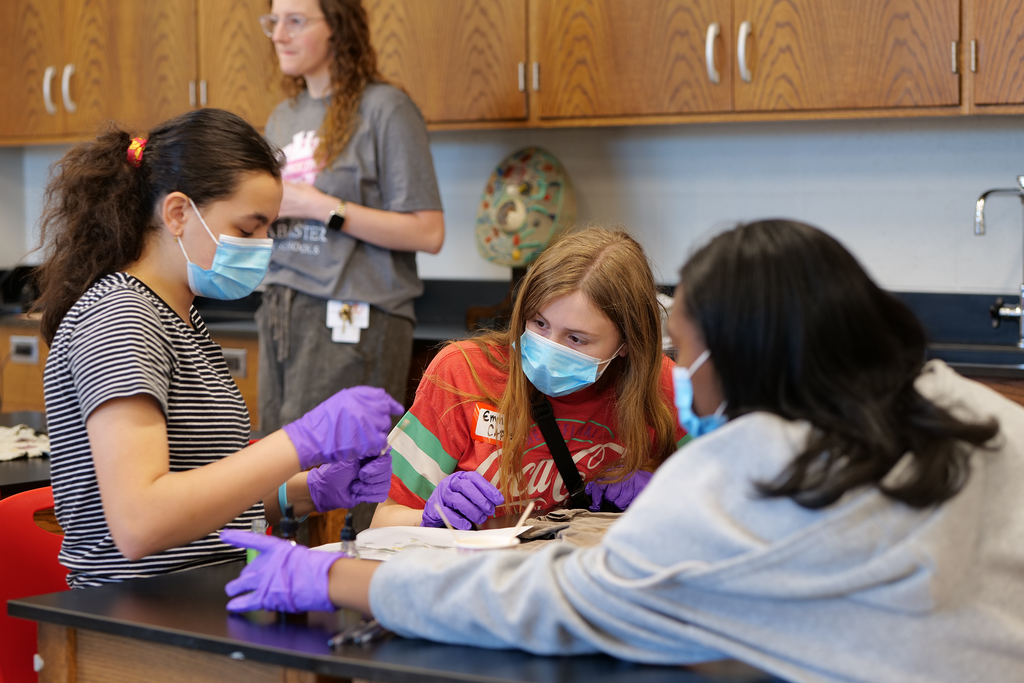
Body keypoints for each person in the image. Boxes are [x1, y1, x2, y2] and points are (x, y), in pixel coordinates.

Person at [222, 219, 1024, 683]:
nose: (687, 388)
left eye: (687, 352)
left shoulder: (747, 471)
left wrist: (333, 574)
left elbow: (558, 599)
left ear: (737, 359)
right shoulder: (968, 406)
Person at [35, 108, 404, 588]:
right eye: (248, 229)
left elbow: (207, 501)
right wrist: (300, 442)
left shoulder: (180, 317)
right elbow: (142, 522)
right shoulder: (121, 317)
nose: (263, 246)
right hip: (137, 616)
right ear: (177, 213)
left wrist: (312, 490)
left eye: (270, 229)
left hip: (202, 593)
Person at [256, 0, 444, 530]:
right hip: (282, 310)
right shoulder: (283, 116)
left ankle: (351, 594)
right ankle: (285, 588)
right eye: (274, 21)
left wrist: (321, 206)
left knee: (346, 479)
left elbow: (428, 231)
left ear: (337, 28)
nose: (279, 34)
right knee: (281, 474)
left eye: (296, 20)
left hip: (355, 317)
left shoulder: (385, 109)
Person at [370, 227, 686, 529]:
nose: (549, 349)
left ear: (626, 344)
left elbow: (726, 505)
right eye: (539, 323)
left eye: (576, 339)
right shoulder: (461, 373)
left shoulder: (661, 384)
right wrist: (429, 516)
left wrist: (668, 495)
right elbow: (381, 521)